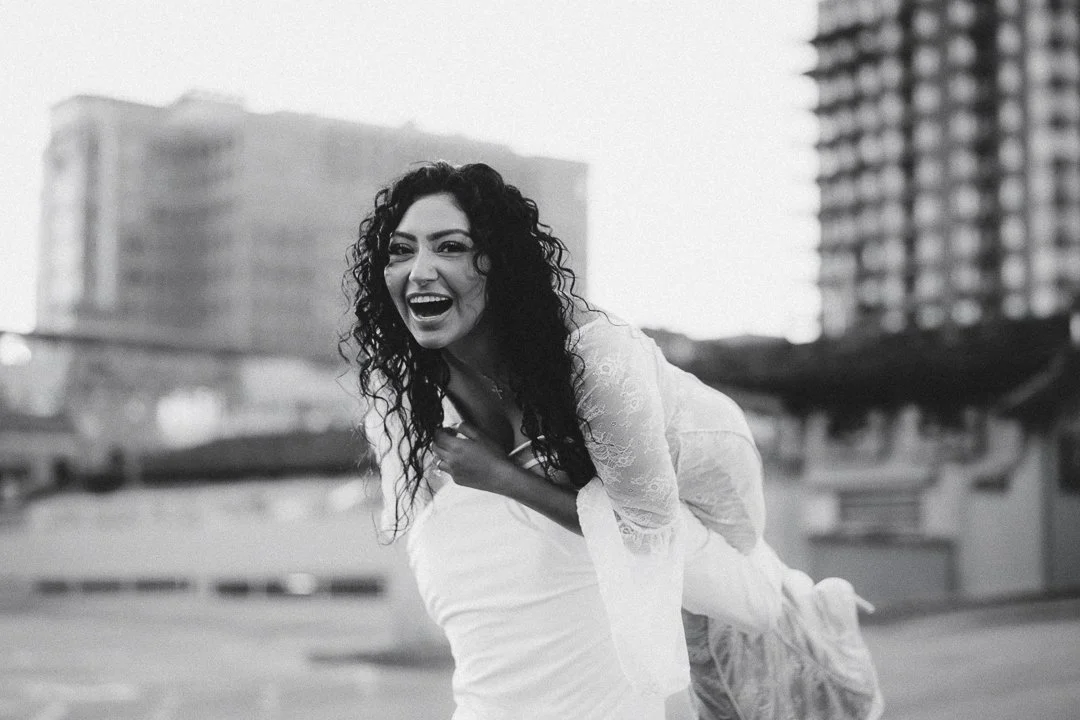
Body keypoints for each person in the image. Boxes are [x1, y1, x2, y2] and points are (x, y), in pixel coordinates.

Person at [343, 161, 882, 720]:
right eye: (400, 251)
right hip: (597, 484)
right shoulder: (400, 380)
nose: (419, 270)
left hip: (703, 459)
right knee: (655, 583)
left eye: (449, 247)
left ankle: (818, 617)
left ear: (498, 263)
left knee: (739, 603)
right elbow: (433, 536)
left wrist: (504, 480)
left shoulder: (593, 359)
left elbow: (644, 529)